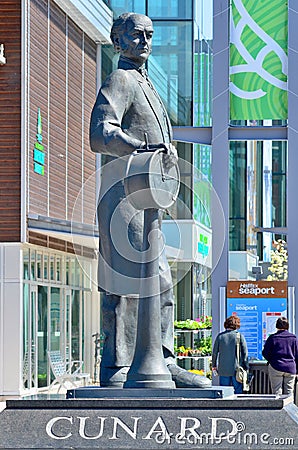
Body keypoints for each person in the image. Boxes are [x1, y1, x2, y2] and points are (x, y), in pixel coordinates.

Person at [89, 12, 211, 389]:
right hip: (124, 192)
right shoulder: (121, 79)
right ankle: (119, 367)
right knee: (124, 280)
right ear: (118, 41)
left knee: (159, 279)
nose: (144, 41)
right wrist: (141, 147)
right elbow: (100, 132)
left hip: (148, 197)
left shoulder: (147, 84)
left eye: (149, 35)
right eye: (136, 35)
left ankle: (163, 358)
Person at [212, 315, 249, 394]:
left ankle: (224, 406)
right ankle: (237, 406)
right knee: (238, 391)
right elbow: (245, 353)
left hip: (223, 369)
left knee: (224, 391)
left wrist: (214, 366)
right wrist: (246, 366)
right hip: (236, 369)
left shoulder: (220, 336)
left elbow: (214, 353)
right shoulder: (239, 336)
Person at [262, 317, 298, 396]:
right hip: (290, 367)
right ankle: (289, 407)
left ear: (276, 326)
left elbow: (265, 353)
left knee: (277, 392)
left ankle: (278, 408)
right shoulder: (293, 338)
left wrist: (272, 361)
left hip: (276, 366)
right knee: (289, 392)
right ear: (287, 326)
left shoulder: (272, 338)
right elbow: (297, 355)